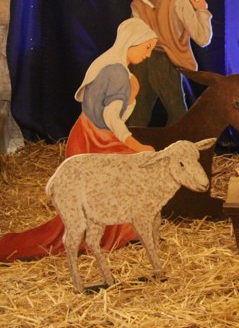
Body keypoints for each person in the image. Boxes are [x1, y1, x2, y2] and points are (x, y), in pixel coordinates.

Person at [0, 18, 159, 261]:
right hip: (95, 142)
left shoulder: (110, 65)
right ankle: (114, 235)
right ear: (132, 41)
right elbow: (110, 118)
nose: (148, 55)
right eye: (147, 47)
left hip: (86, 135)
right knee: (136, 167)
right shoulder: (117, 73)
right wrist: (137, 146)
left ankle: (125, 232)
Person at [127, 0, 213, 127]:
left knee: (138, 115)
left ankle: (133, 146)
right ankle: (176, 146)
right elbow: (203, 38)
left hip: (142, 61)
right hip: (165, 61)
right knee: (179, 116)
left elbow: (133, 28)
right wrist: (202, 10)